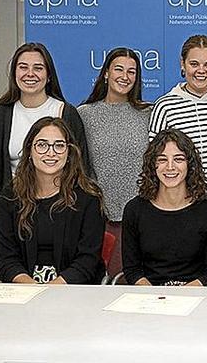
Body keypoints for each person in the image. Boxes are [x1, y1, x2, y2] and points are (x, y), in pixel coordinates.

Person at [0, 42, 90, 225]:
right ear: (14, 74)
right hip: (11, 216)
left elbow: (82, 169)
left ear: (49, 75)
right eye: (23, 67)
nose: (30, 74)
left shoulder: (66, 113)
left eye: (38, 68)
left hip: (60, 215)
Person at [0, 117, 105, 284]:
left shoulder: (89, 199)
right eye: (42, 145)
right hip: (23, 289)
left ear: (69, 153)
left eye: (59, 146)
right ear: (29, 151)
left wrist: (53, 288)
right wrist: (30, 287)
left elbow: (87, 261)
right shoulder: (10, 198)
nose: (51, 153)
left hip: (73, 290)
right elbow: (6, 258)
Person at [149, 35, 207, 231]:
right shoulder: (166, 105)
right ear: (182, 64)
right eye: (194, 63)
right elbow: (155, 160)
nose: (201, 71)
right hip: (185, 208)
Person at [78, 47, 150, 277]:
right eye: (118, 69)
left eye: (132, 71)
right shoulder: (84, 114)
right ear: (106, 73)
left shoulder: (149, 113)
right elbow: (79, 167)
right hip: (98, 217)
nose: (125, 76)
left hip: (140, 217)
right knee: (100, 285)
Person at [122, 129, 207, 286]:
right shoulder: (134, 210)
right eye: (162, 160)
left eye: (178, 159)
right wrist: (155, 297)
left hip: (196, 297)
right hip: (149, 297)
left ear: (189, 164)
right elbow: (132, 270)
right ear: (153, 165)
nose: (170, 167)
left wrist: (179, 297)